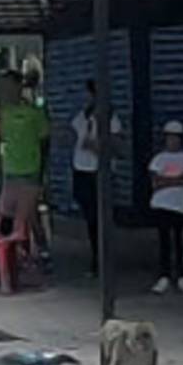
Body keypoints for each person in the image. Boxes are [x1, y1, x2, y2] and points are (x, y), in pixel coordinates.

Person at [0, 71, 51, 261]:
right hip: (10, 171)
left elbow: (44, 140)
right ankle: (15, 253)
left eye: (9, 86)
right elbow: (1, 135)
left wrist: (42, 171)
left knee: (29, 214)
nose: (5, 91)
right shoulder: (4, 113)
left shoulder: (34, 112)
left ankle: (41, 250)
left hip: (30, 170)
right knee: (5, 213)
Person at [148, 119, 183, 294]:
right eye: (170, 138)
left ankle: (182, 275)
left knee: (179, 241)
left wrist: (167, 180)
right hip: (161, 205)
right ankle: (164, 275)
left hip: (180, 206)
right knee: (164, 241)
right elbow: (155, 182)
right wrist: (177, 179)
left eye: (176, 138)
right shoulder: (158, 159)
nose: (172, 141)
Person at [71, 81, 103, 248]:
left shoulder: (107, 116)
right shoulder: (82, 116)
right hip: (80, 167)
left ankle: (98, 250)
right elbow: (73, 133)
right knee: (86, 207)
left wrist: (97, 146)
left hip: (95, 169)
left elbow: (116, 143)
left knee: (95, 213)